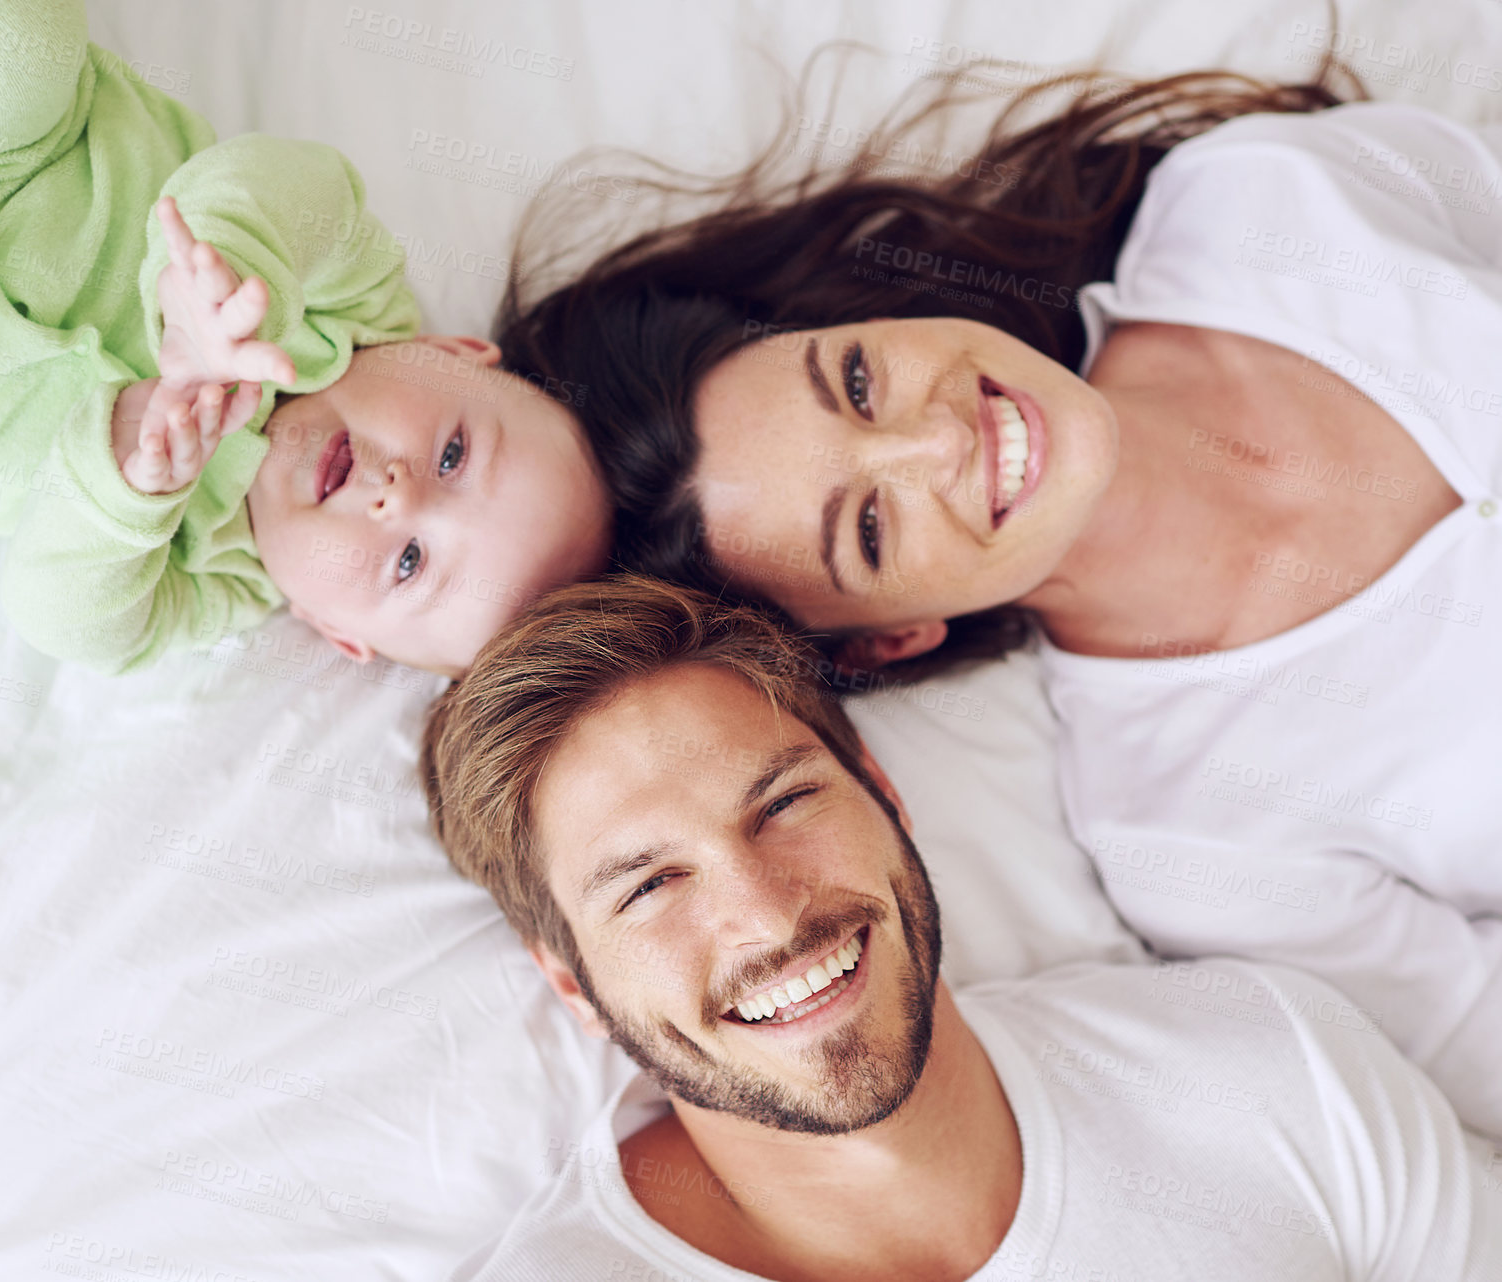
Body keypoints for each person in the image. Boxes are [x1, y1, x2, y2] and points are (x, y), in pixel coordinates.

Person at [490, 61, 1502, 1136]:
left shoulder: (1253, 202)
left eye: (859, 382)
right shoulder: (1198, 843)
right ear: (889, 639)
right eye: (870, 528)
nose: (939, 438)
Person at [421, 574, 1500, 1282]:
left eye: (784, 804)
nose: (763, 911)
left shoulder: (1266, 1064)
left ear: (881, 793)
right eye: (647, 885)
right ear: (570, 980)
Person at [0, 0, 610, 674]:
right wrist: (222, 275)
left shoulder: (219, 577)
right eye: (453, 456)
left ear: (336, 630)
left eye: (409, 564)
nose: (398, 496)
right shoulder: (355, 302)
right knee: (13, 56)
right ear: (450, 355)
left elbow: (69, 625)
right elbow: (290, 184)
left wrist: (125, 486)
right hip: (15, 155)